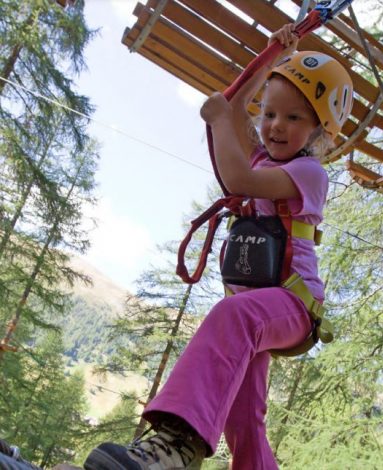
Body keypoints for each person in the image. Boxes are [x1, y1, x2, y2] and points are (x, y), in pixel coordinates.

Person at [84, 23, 353, 470]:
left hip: (293, 301)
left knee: (233, 316)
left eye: (293, 118)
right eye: (269, 115)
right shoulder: (263, 156)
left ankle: (177, 443)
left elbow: (236, 178)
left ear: (320, 131)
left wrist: (219, 119)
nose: (275, 126)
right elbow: (236, 104)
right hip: (256, 305)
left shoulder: (310, 175)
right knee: (245, 421)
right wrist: (274, 53)